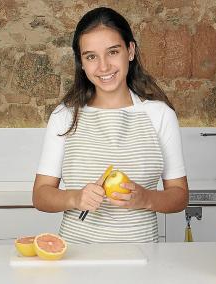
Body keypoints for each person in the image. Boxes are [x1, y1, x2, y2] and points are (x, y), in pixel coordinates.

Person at [33, 7, 188, 244]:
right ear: (81, 63)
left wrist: (145, 199)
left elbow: (180, 196)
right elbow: (40, 195)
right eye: (91, 56)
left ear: (130, 51)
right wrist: (75, 198)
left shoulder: (160, 115)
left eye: (112, 52)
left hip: (142, 259)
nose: (103, 67)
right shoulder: (64, 116)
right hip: (77, 258)